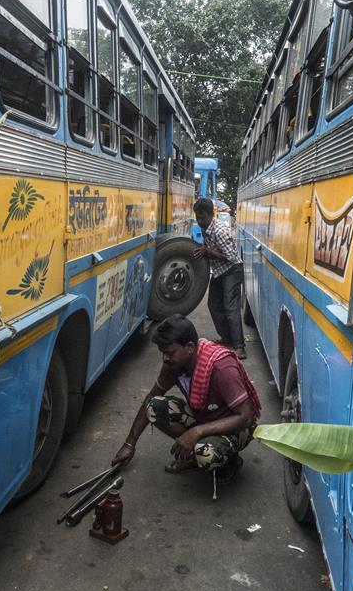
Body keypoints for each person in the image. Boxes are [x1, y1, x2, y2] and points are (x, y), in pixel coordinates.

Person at [111, 314, 261, 482]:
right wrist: (129, 444)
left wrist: (197, 431)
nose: (165, 359)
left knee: (206, 454)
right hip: (204, 416)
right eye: (163, 353)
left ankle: (230, 462)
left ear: (190, 347)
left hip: (236, 426)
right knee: (153, 406)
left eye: (170, 353)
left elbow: (245, 417)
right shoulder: (173, 364)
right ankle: (196, 453)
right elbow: (152, 396)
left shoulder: (222, 368)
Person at [192, 197, 247, 360]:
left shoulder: (220, 231)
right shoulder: (205, 227)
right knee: (214, 305)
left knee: (231, 308)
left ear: (211, 214)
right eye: (198, 217)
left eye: (203, 218)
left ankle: (239, 347)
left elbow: (231, 257)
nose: (200, 221)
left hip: (232, 270)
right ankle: (227, 339)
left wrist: (208, 252)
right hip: (219, 271)